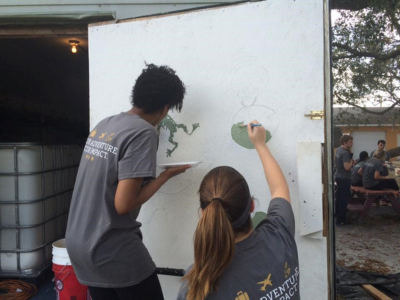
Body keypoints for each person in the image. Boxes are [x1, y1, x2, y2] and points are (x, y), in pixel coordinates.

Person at [65, 64, 191, 300]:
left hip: (79, 244)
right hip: (110, 248)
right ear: (165, 108)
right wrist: (165, 176)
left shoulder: (105, 125)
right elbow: (123, 204)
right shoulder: (144, 132)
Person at [177, 121, 300, 300]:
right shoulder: (279, 234)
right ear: (252, 206)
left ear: (203, 214)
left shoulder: (197, 283)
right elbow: (279, 189)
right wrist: (260, 144)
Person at [334, 135, 354, 225]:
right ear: (344, 142)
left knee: (338, 197)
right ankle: (341, 219)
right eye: (350, 141)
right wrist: (352, 162)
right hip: (345, 177)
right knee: (344, 199)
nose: (352, 143)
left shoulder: (338, 150)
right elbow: (347, 167)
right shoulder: (345, 153)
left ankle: (337, 215)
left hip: (338, 176)